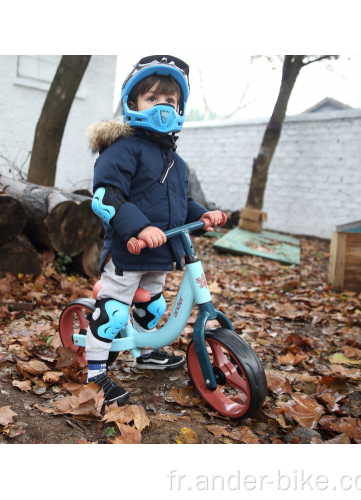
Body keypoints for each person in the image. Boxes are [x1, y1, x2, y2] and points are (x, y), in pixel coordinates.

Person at [84, 55, 225, 405]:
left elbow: (180, 203)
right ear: (133, 103)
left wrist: (203, 215)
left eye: (170, 101)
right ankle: (96, 373)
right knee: (115, 310)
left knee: (152, 307)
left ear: (180, 110)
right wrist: (140, 226)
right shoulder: (123, 149)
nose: (162, 107)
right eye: (152, 98)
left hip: (162, 251)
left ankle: (147, 354)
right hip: (129, 250)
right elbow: (106, 197)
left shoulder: (177, 163)